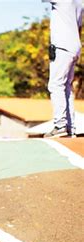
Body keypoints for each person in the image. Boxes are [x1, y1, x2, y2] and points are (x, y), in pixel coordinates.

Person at [43, 0, 82, 138]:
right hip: (74, 46)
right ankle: (70, 128)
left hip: (62, 46)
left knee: (56, 85)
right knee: (66, 87)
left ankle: (60, 125)